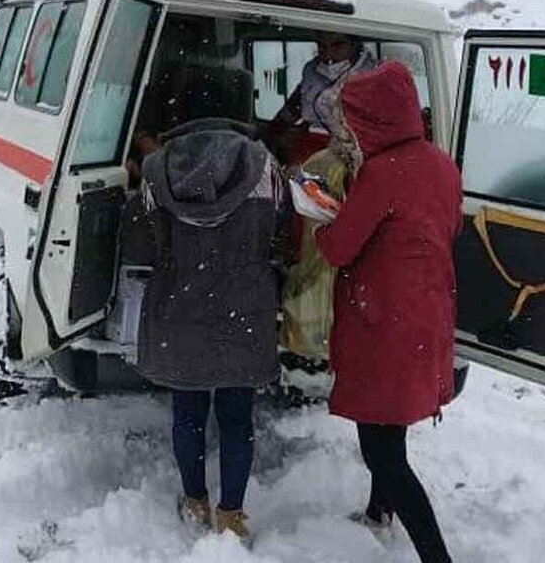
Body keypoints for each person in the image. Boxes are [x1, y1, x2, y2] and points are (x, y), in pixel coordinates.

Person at [314, 61, 462, 563]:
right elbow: (443, 229)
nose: (351, 131)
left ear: (374, 119)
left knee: (381, 451)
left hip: (385, 323)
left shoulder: (381, 174)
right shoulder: (441, 164)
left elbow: (338, 249)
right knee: (389, 425)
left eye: (355, 121)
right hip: (425, 314)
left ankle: (435, 556)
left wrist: (320, 221)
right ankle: (379, 514)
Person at [121, 118, 287, 543]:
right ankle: (231, 513)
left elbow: (142, 248)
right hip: (245, 309)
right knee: (236, 417)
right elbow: (282, 237)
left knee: (189, 413)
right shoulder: (266, 169)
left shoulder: (157, 173)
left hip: (180, 308)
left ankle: (195, 501)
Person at [265, 31, 376, 168]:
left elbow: (373, 133)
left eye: (338, 45)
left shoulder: (374, 77)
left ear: (354, 45)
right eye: (322, 46)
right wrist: (279, 133)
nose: (328, 54)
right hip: (308, 148)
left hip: (350, 156)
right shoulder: (312, 71)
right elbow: (295, 106)